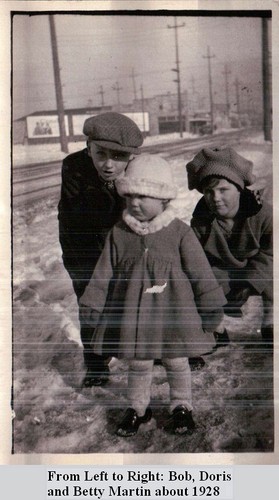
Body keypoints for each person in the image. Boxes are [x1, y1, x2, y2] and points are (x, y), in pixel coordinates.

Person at [79, 154, 226, 436]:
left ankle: (182, 406)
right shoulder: (118, 234)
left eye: (144, 196)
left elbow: (200, 273)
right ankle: (138, 408)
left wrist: (211, 307)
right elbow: (103, 273)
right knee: (139, 362)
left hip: (173, 314)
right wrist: (92, 303)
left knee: (176, 361)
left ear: (164, 200)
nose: (135, 202)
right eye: (130, 195)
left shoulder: (180, 233)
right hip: (136, 316)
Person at [58, 112, 144, 387]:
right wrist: (114, 186)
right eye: (100, 154)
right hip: (81, 246)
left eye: (118, 157)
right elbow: (82, 216)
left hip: (123, 245)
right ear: (88, 148)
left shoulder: (139, 170)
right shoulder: (74, 168)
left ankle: (148, 348)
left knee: (135, 298)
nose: (108, 164)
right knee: (91, 304)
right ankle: (96, 362)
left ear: (131, 156)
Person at [186, 146, 273, 347]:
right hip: (224, 272)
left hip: (259, 268)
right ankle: (216, 328)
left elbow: (271, 253)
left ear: (240, 189)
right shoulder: (201, 222)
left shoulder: (263, 215)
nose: (215, 198)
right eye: (209, 191)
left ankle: (271, 321)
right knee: (195, 282)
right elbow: (200, 263)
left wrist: (250, 283)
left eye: (223, 190)